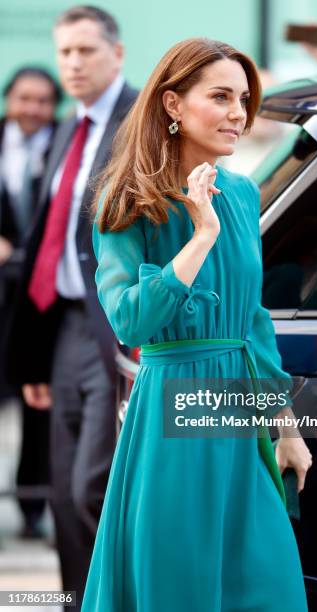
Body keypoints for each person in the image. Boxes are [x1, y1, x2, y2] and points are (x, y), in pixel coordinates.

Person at [81, 37, 312, 611]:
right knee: (179, 585)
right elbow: (131, 322)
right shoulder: (127, 200)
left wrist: (285, 425)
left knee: (267, 584)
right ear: (173, 105)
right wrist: (200, 235)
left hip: (239, 407)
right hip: (173, 414)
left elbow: (253, 324)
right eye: (221, 96)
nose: (239, 112)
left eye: (243, 98)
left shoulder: (241, 191)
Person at [5, 6, 137, 610]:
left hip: (117, 326)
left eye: (86, 51)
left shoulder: (139, 121)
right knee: (62, 492)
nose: (74, 63)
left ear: (118, 53)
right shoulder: (67, 126)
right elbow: (45, 240)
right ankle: (78, 600)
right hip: (61, 329)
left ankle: (111, 599)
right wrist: (32, 355)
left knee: (93, 486)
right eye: (66, 53)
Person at [0, 66, 61, 537]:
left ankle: (33, 508)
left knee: (39, 405)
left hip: (42, 296)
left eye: (43, 100)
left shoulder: (63, 143)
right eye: (25, 99)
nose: (33, 109)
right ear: (9, 100)